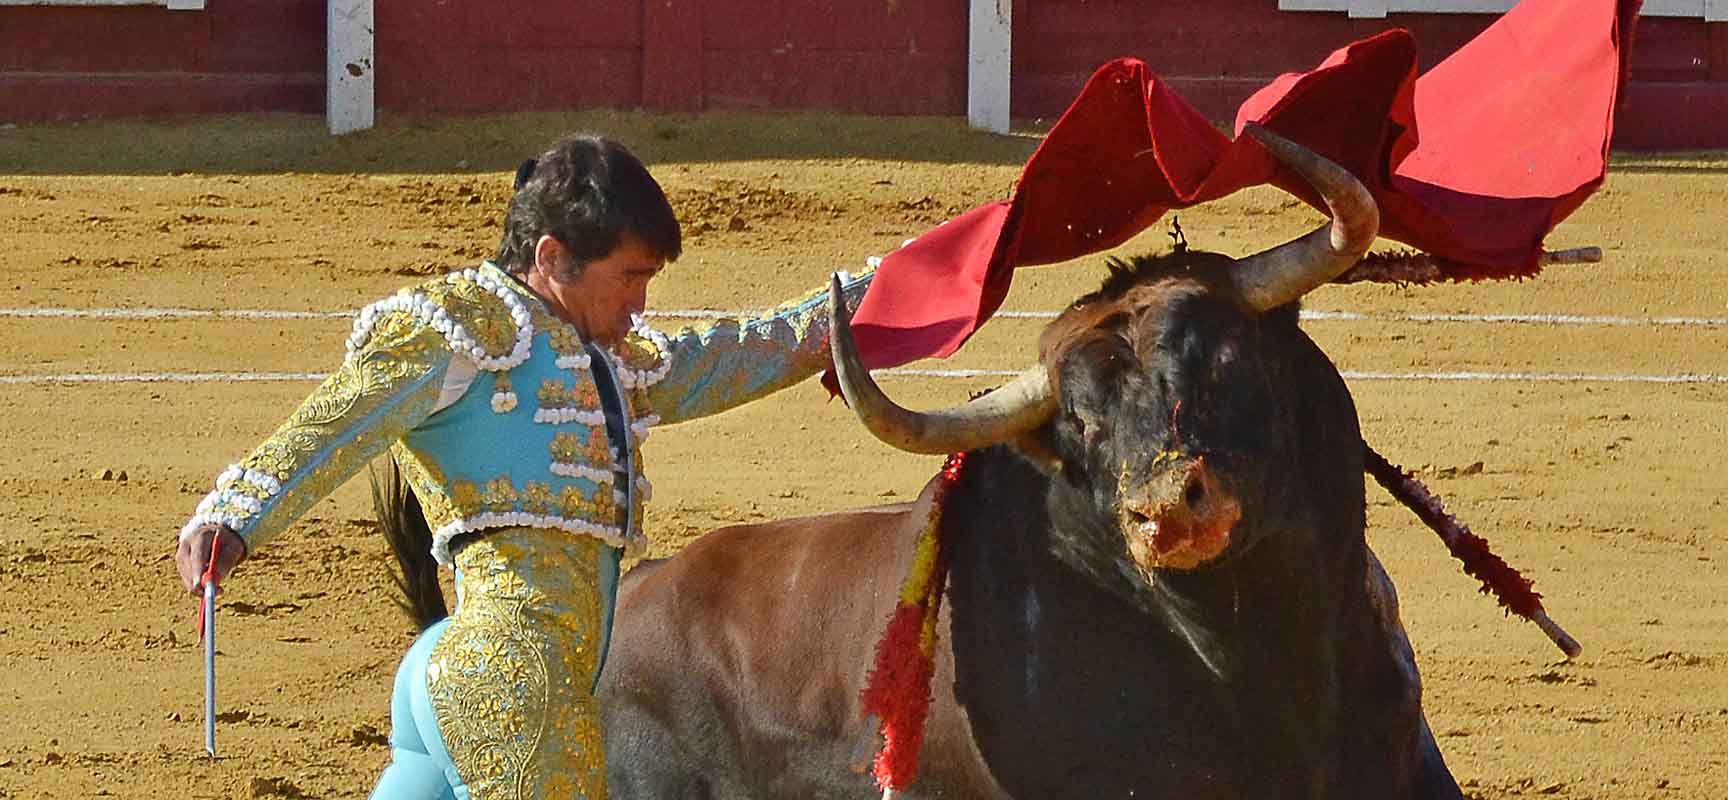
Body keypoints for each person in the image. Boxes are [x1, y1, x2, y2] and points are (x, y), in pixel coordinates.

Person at [173, 134, 874, 799]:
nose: (640, 304)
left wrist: (872, 294)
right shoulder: (459, 328)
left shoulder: (600, 360)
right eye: (629, 277)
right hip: (516, 681)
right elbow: (339, 419)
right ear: (552, 255)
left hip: (465, 664)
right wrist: (234, 516)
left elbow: (732, 355)